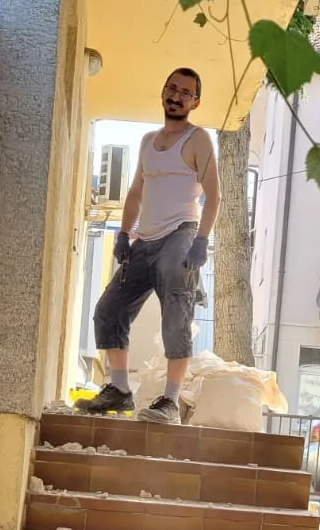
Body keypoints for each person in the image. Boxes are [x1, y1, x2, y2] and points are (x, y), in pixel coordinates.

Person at [77, 67, 220, 425]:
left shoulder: (198, 139)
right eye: (171, 88)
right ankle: (120, 391)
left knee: (175, 313)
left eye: (185, 92)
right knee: (108, 309)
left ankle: (170, 402)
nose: (176, 96)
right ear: (162, 92)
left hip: (181, 233)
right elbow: (136, 192)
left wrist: (201, 239)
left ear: (195, 101)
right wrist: (125, 234)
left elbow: (215, 195)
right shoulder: (147, 142)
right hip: (145, 238)